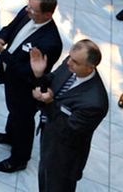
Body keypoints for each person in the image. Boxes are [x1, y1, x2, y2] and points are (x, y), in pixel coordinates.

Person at [0, 0, 64, 173]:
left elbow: (30, 72)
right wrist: (1, 38)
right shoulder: (27, 11)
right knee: (13, 110)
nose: (28, 11)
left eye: (33, 10)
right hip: (10, 76)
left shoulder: (51, 42)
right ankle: (10, 135)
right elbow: (11, 28)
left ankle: (20, 158)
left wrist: (3, 53)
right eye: (28, 6)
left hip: (26, 87)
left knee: (24, 119)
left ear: (48, 14)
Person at [34, 39, 110, 192]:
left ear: (90, 68)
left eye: (75, 61)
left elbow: (69, 131)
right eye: (69, 57)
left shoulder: (95, 102)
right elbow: (53, 80)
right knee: (44, 179)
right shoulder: (70, 65)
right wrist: (40, 74)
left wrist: (49, 103)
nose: (68, 63)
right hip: (49, 137)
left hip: (64, 156)